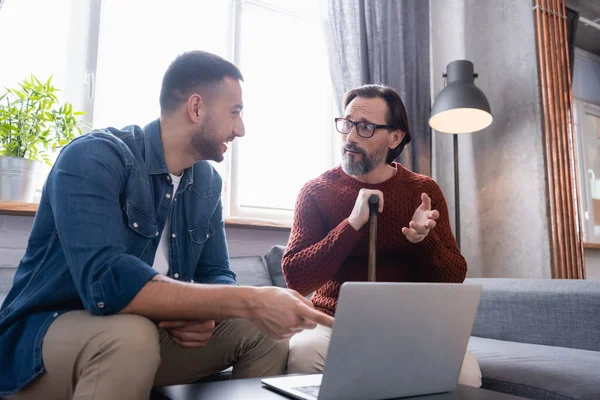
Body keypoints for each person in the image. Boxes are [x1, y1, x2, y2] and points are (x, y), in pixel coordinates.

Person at [0, 50, 333, 400]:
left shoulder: (206, 182)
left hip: (146, 335)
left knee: (266, 332)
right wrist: (246, 300)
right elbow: (106, 283)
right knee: (129, 335)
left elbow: (217, 272)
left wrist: (206, 311)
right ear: (196, 108)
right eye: (235, 112)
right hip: (42, 338)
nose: (241, 129)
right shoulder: (95, 156)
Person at [282, 84, 481, 387]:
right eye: (347, 124)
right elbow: (296, 277)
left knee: (465, 376)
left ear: (395, 137)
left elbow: (454, 277)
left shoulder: (423, 191)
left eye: (364, 127)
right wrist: (351, 225)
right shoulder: (315, 191)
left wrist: (424, 240)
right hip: (333, 320)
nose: (349, 137)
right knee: (305, 354)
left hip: (410, 323)